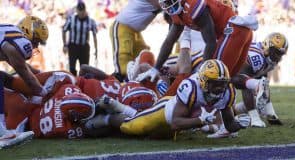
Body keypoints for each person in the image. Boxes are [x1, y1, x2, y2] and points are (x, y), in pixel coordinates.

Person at [88, 60, 250, 138]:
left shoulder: (227, 92)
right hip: (168, 111)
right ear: (203, 81)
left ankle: (117, 111)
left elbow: (228, 124)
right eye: (215, 84)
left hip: (190, 116)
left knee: (153, 138)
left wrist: (239, 125)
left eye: (222, 84)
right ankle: (107, 116)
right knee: (133, 127)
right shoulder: (191, 87)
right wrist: (201, 120)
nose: (219, 88)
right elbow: (175, 121)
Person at [136, 0, 257, 82]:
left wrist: (202, 73)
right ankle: (255, 85)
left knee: (214, 79)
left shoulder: (193, 5)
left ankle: (216, 118)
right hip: (240, 32)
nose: (169, 5)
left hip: (233, 31)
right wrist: (156, 68)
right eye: (166, 1)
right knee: (228, 78)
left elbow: (210, 43)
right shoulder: (178, 13)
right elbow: (169, 41)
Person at [0, 15, 49, 145]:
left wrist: (40, 73)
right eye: (36, 41)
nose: (36, 45)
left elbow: (20, 64)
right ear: (28, 32)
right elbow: (25, 75)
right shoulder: (21, 42)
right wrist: (45, 93)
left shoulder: (10, 32)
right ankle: (1, 133)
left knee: (2, 77)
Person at [232, 32, 288, 127]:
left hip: (232, 79)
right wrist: (255, 117)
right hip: (223, 78)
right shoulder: (256, 56)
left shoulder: (268, 59)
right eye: (277, 53)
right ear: (267, 47)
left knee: (257, 99)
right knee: (215, 117)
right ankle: (254, 118)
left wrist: (270, 112)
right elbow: (243, 82)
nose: (279, 57)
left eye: (281, 54)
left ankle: (233, 111)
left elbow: (263, 80)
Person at [110, 0, 161, 82]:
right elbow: (162, 3)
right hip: (122, 27)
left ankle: (140, 84)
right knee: (123, 63)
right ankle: (118, 86)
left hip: (135, 31)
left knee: (143, 57)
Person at [62, 1, 98, 76]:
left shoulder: (90, 21)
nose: (81, 13)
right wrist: (65, 45)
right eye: (80, 10)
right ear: (77, 10)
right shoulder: (71, 19)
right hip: (73, 46)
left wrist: (96, 49)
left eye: (83, 10)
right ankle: (73, 85)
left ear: (85, 10)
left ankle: (82, 85)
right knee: (72, 68)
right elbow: (64, 30)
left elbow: (94, 35)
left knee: (84, 68)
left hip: (84, 47)